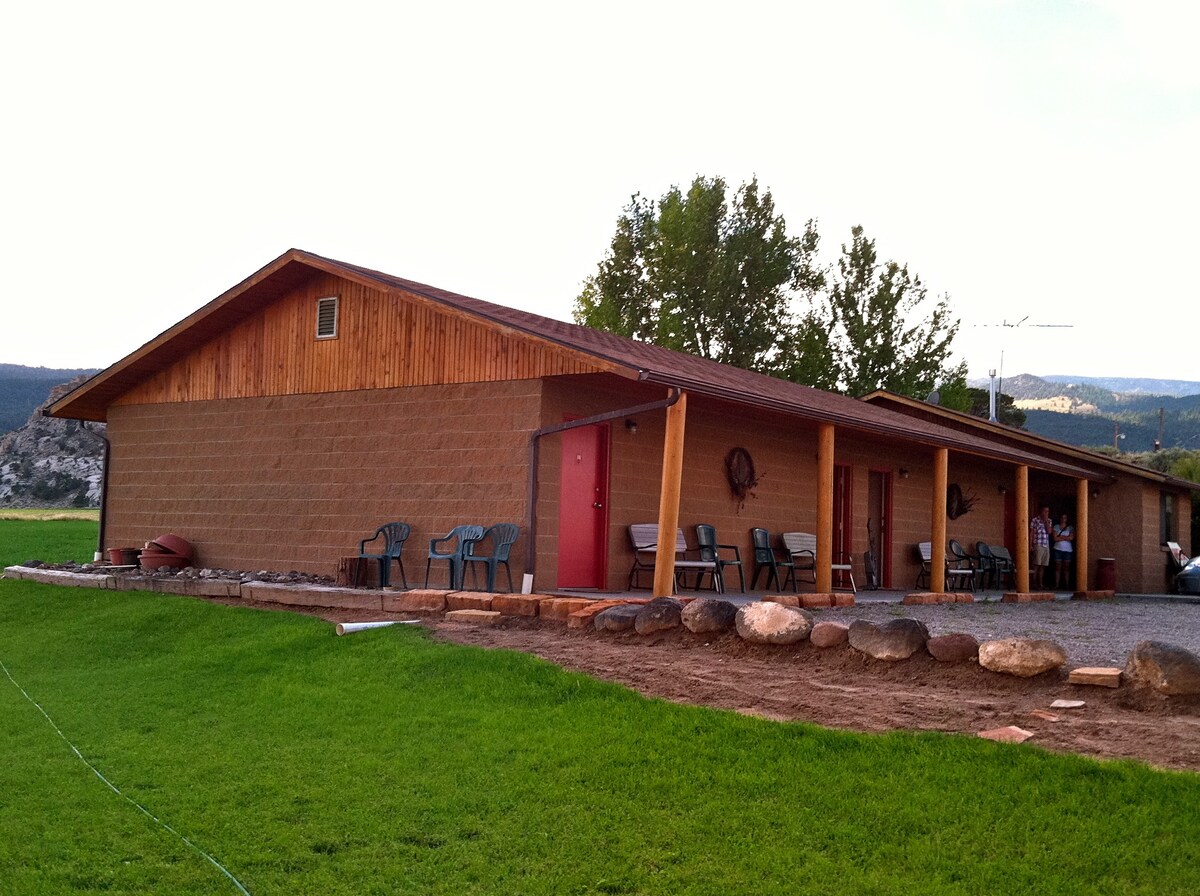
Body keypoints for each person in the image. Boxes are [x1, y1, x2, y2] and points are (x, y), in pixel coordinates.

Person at [1030, 505, 1051, 589]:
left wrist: (1046, 522)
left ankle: (1041, 584)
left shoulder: (1049, 521)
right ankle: (1034, 583)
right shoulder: (1035, 520)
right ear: (1041, 511)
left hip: (1046, 545)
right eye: (1045, 511)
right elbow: (1031, 533)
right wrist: (1030, 545)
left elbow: (1049, 531)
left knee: (1043, 566)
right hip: (1038, 544)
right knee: (1036, 565)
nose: (1046, 513)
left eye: (1048, 511)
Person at [1053, 513, 1075, 590]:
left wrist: (1060, 536)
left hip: (1068, 550)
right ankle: (1057, 585)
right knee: (1057, 567)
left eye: (1065, 518)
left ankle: (1067, 584)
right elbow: (1055, 539)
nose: (1063, 519)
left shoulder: (1070, 528)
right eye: (1062, 517)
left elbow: (1071, 538)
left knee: (1066, 568)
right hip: (1058, 549)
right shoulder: (1056, 527)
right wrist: (1066, 537)